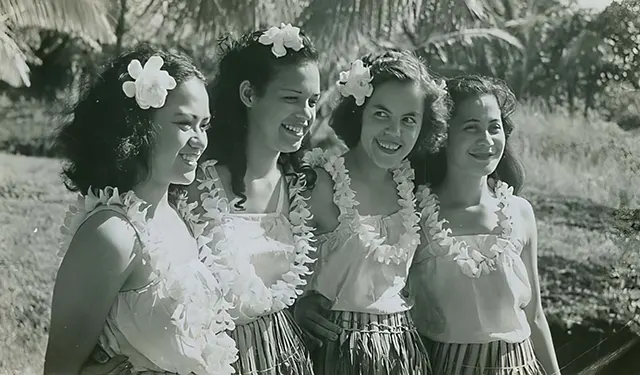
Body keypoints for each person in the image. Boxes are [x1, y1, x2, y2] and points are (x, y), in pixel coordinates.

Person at [44, 44, 237, 375]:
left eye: (204, 125)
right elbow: (59, 368)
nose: (200, 140)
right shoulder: (110, 235)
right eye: (184, 123)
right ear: (138, 127)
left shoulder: (181, 217)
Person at [295, 50, 450, 374]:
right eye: (381, 114)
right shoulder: (320, 184)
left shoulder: (414, 191)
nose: (394, 132)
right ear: (359, 112)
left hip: (402, 354)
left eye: (408, 119)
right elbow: (273, 267)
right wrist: (297, 306)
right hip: (335, 353)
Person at [190, 24, 329, 374]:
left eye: (312, 101)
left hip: (287, 358)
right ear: (249, 94)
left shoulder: (301, 189)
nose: (306, 114)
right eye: (291, 98)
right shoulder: (197, 186)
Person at [408, 75, 562, 374]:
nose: (487, 140)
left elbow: (534, 316)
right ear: (443, 135)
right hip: (447, 367)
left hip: (521, 365)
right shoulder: (415, 213)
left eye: (494, 127)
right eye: (471, 128)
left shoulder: (520, 212)